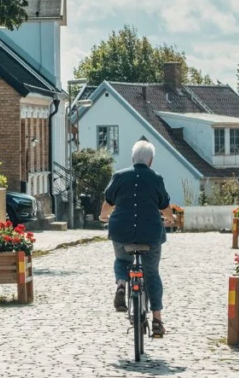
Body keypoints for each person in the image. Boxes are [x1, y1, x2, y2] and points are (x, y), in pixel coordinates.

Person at [98, 139, 175, 338]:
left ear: (133, 158)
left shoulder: (119, 176)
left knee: (122, 260)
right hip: (150, 235)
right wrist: (170, 218)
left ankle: (122, 285)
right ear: (150, 161)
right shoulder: (155, 178)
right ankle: (157, 320)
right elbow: (165, 206)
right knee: (151, 273)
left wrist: (103, 216)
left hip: (121, 232)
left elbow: (108, 203)